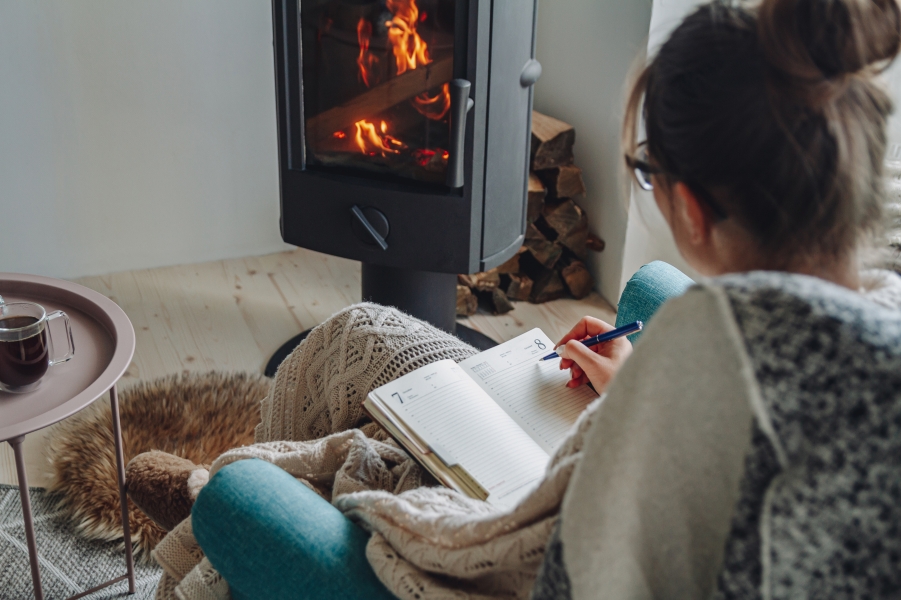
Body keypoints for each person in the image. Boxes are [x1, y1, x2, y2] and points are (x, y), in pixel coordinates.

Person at [133, 0, 901, 598]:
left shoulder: (706, 348)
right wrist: (635, 383)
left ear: (691, 208)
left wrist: (390, 506)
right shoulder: (871, 323)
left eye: (645, 172)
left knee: (338, 458)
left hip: (520, 529)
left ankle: (227, 516)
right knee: (359, 332)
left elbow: (514, 559)